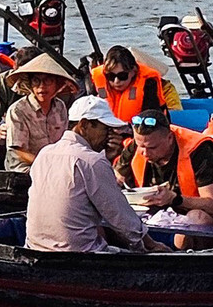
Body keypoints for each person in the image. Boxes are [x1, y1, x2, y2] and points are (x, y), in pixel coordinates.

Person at [26, 96, 164, 253]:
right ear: (84, 125)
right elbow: (120, 217)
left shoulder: (45, 153)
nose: (108, 135)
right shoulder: (91, 161)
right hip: (79, 253)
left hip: (35, 248)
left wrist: (107, 157)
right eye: (105, 129)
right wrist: (152, 245)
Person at [116, 108, 213, 229]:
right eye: (140, 146)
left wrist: (174, 199)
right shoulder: (137, 145)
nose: (145, 153)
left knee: (197, 217)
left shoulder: (198, 150)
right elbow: (115, 180)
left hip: (203, 218)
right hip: (152, 217)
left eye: (152, 148)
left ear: (169, 138)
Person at [2, 52, 78, 172]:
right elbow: (19, 151)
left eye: (48, 81)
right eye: (36, 81)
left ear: (56, 85)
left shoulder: (60, 107)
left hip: (53, 166)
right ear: (30, 85)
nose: (42, 87)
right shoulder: (17, 111)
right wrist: (46, 164)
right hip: (24, 169)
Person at [89, 46, 181, 123]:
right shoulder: (96, 82)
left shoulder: (148, 84)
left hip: (137, 131)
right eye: (111, 76)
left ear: (133, 71)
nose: (116, 81)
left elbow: (152, 121)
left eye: (122, 76)